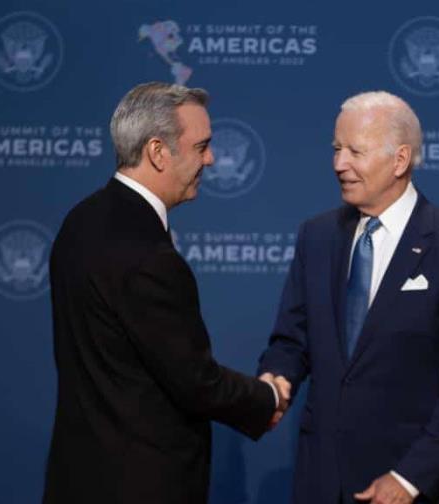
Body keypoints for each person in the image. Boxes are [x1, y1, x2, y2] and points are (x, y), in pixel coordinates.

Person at [43, 82, 282, 504]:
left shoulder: (80, 221)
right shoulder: (147, 254)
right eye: (202, 146)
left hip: (78, 479)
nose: (210, 158)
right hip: (141, 485)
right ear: (158, 151)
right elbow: (195, 382)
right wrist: (267, 398)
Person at [257, 91, 439, 503]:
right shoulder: (316, 237)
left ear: (400, 160)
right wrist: (273, 380)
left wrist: (408, 478)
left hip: (411, 487)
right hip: (321, 481)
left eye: (355, 151)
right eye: (336, 149)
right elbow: (290, 340)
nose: (339, 164)